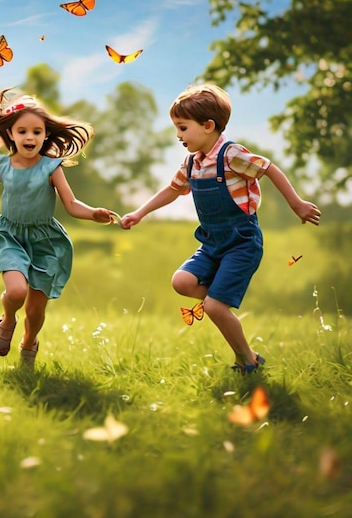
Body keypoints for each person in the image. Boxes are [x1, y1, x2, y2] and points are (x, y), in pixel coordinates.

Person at [120, 84, 321, 373]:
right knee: (182, 282)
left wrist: (297, 203)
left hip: (242, 241)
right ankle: (222, 303)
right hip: (212, 242)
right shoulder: (192, 163)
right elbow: (173, 190)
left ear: (208, 126)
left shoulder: (231, 155)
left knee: (214, 308)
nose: (178, 135)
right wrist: (140, 213)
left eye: (183, 127)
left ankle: (248, 360)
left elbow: (269, 169)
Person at [0, 89, 114, 366]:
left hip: (46, 242)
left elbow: (71, 204)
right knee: (16, 293)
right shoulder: (1, 168)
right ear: (10, 134)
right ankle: (8, 318)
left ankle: (28, 341)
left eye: (37, 131)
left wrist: (93, 213)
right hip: (9, 236)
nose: (30, 137)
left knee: (35, 310)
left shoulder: (51, 168)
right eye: (22, 131)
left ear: (46, 135)